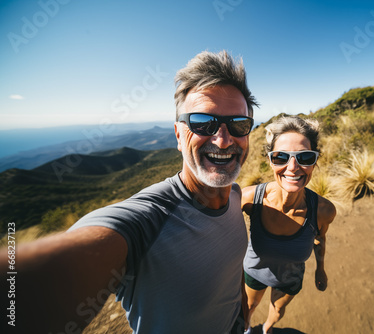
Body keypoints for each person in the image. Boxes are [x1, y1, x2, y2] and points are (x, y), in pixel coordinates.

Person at [1, 50, 258, 334]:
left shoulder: (235, 195)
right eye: (202, 123)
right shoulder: (146, 221)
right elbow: (40, 284)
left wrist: (243, 315)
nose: (223, 140)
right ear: (177, 135)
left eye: (238, 124)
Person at [241, 116, 336, 334]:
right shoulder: (248, 199)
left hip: (289, 278)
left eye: (304, 157)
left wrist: (320, 270)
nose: (293, 167)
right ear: (270, 160)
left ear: (315, 160)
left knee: (277, 311)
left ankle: (266, 330)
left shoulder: (324, 211)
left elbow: (320, 238)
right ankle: (246, 330)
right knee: (248, 307)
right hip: (254, 271)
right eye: (281, 157)